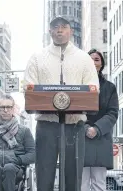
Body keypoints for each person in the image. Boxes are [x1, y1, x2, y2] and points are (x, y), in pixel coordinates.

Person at [23, 16, 100, 191]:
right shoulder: (36, 57)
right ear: (49, 31)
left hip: (75, 125)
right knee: (44, 173)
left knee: (73, 177)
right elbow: (29, 87)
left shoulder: (83, 58)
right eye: (55, 27)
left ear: (71, 31)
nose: (59, 30)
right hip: (46, 124)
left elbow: (93, 88)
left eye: (64, 27)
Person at [81, 49, 119, 191]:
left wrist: (96, 129)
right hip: (81, 138)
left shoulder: (110, 88)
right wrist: (85, 128)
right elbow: (72, 112)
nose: (93, 62)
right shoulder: (77, 86)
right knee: (81, 185)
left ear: (101, 64)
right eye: (90, 59)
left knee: (99, 184)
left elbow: (113, 113)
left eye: (97, 59)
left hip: (101, 139)